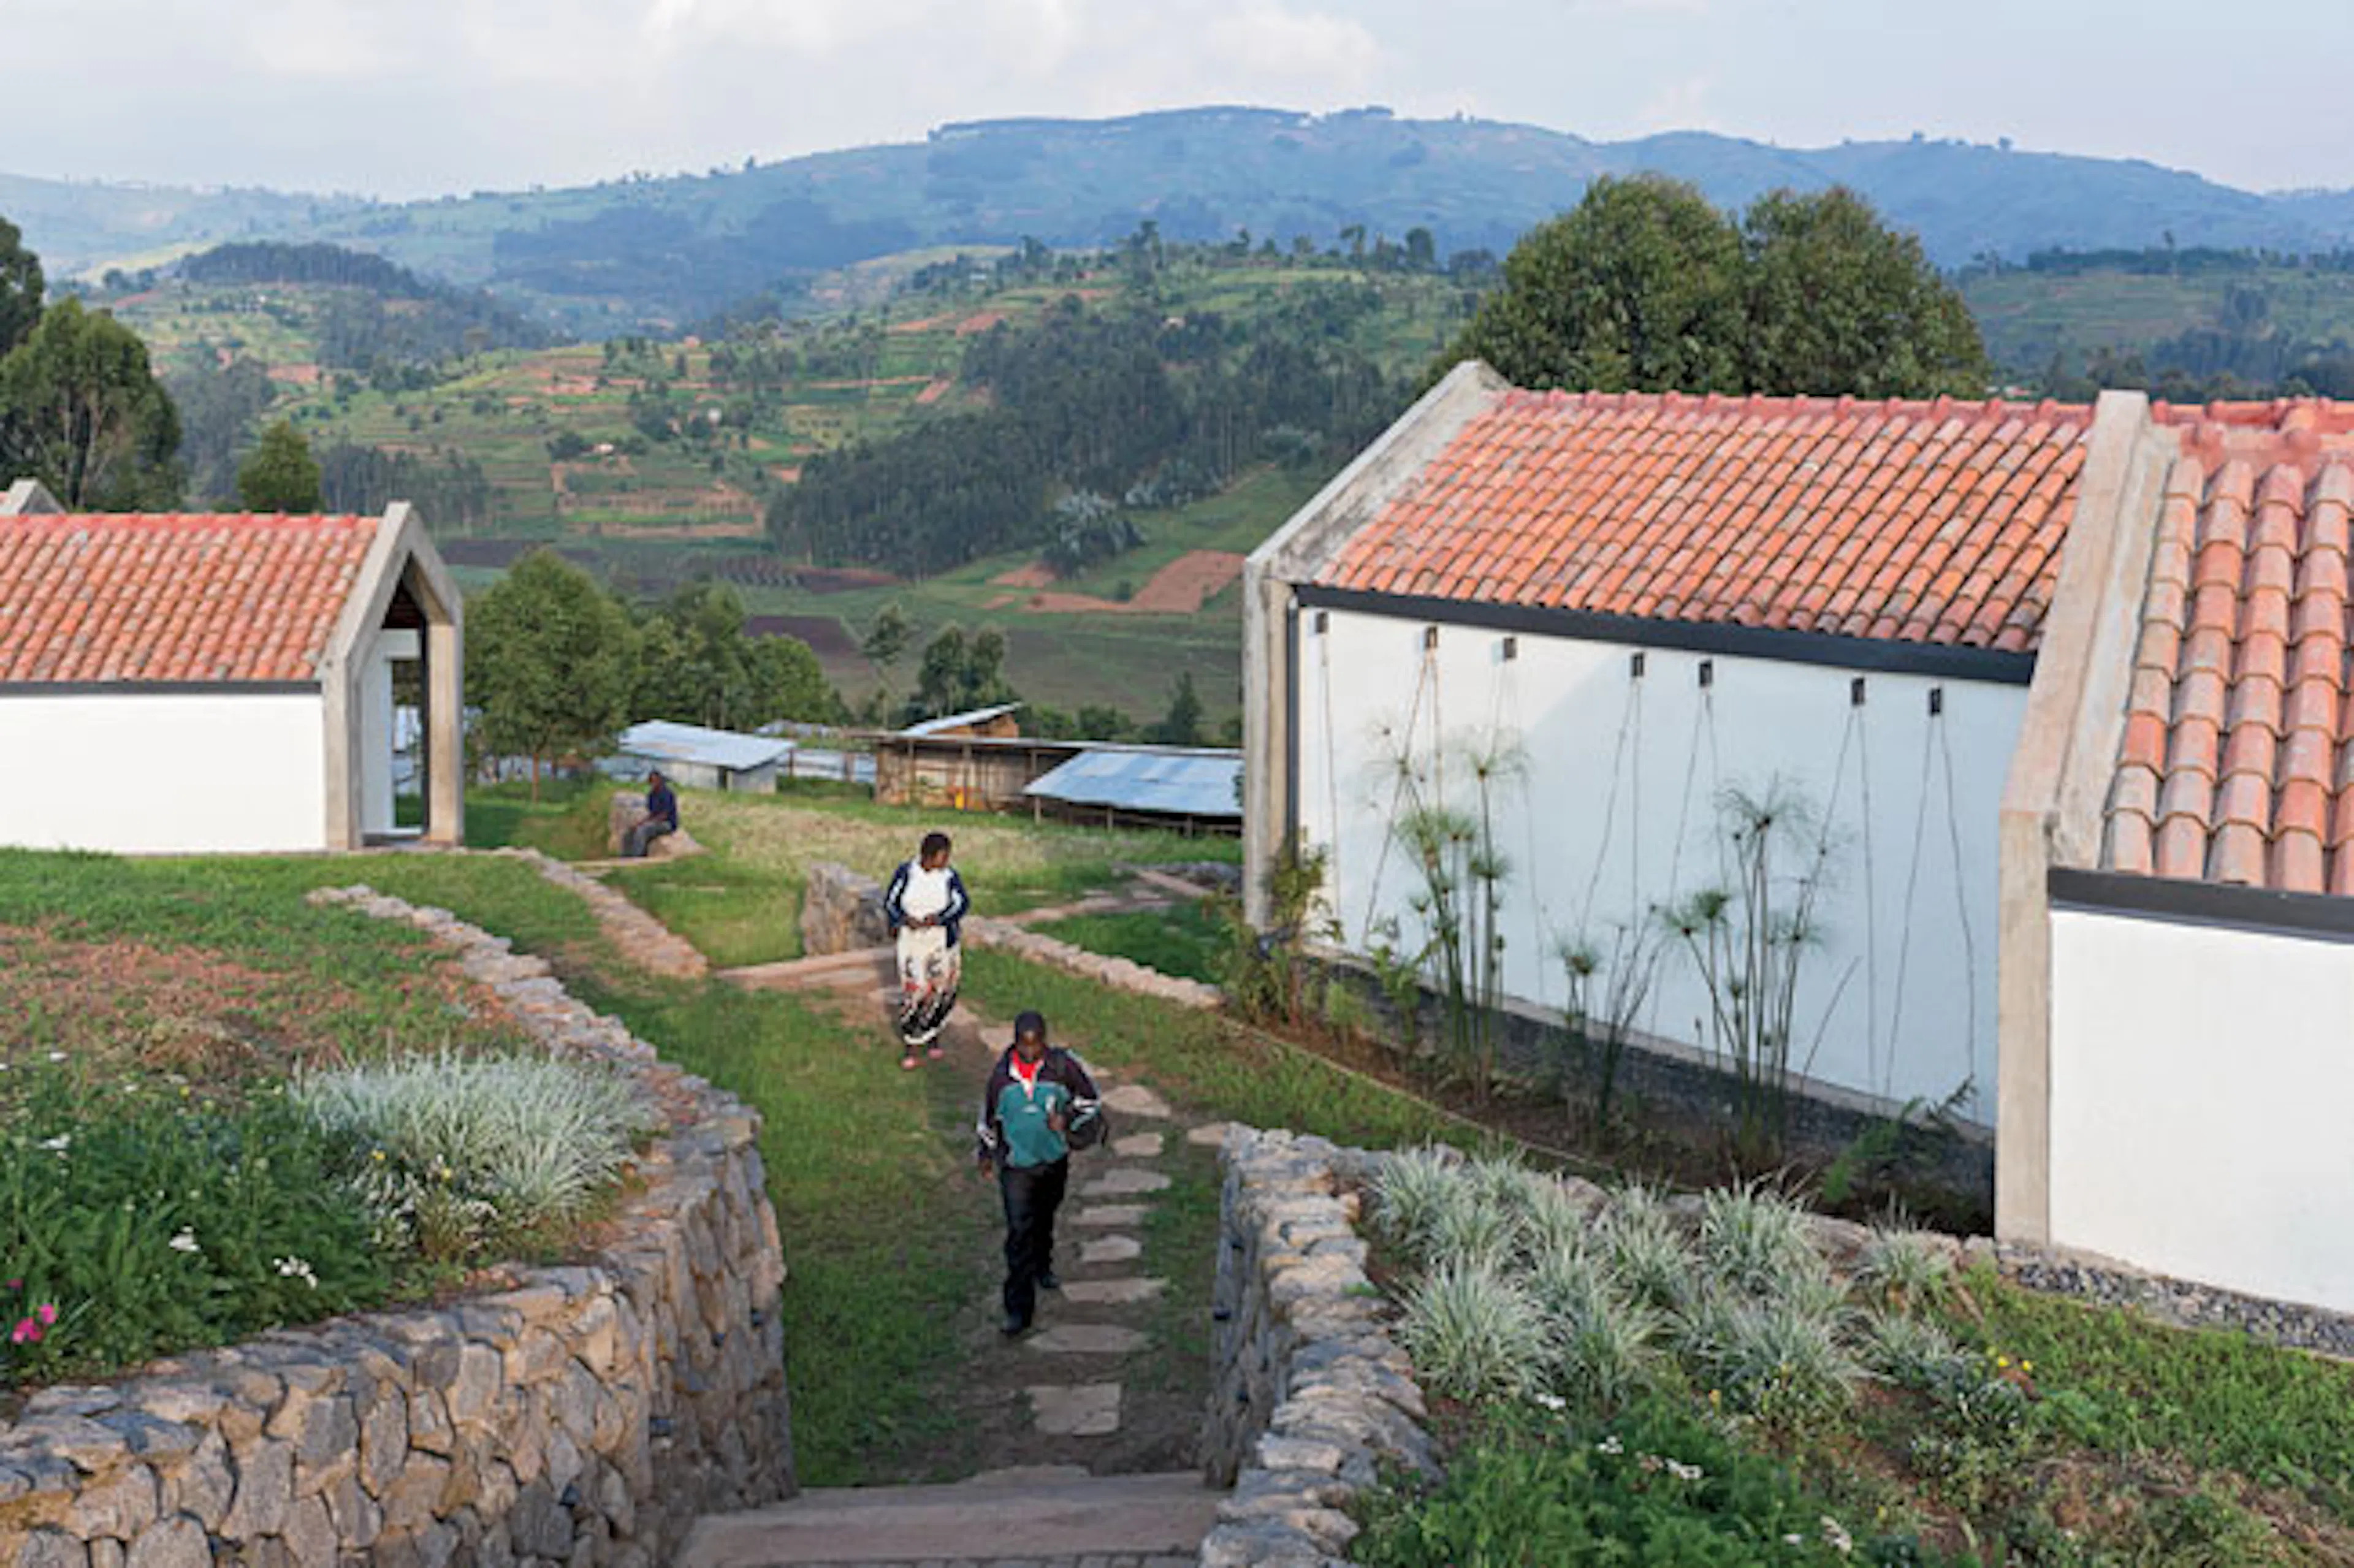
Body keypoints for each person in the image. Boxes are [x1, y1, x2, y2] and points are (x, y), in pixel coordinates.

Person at [974, 1010, 1100, 1336]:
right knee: (1019, 1231)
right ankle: (1018, 1310)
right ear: (1015, 1043)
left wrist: (1066, 1118)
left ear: (1045, 1041)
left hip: (1052, 1160)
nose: (1030, 1051)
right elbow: (988, 1120)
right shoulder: (1001, 1078)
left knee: (1043, 1217)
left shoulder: (1062, 1068)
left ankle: (1043, 1264)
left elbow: (1090, 1101)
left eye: (1036, 1045)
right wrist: (985, 1154)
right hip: (1016, 1165)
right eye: (1024, 1045)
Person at [883, 831, 970, 1069]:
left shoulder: (949, 877)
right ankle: (911, 1044)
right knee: (916, 990)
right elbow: (890, 902)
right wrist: (904, 919)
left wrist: (939, 919)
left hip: (940, 941)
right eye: (943, 856)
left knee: (939, 989)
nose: (947, 861)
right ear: (928, 856)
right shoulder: (906, 873)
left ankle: (933, 1038)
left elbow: (962, 903)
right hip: (912, 942)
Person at [625, 771, 679, 858]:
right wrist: (640, 823)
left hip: (667, 823)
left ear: (660, 781)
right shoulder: (652, 795)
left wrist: (648, 823)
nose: (653, 783)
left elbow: (664, 815)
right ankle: (626, 857)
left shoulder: (668, 794)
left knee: (643, 830)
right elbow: (651, 814)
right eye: (651, 781)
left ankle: (638, 856)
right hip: (655, 821)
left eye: (655, 781)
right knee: (630, 831)